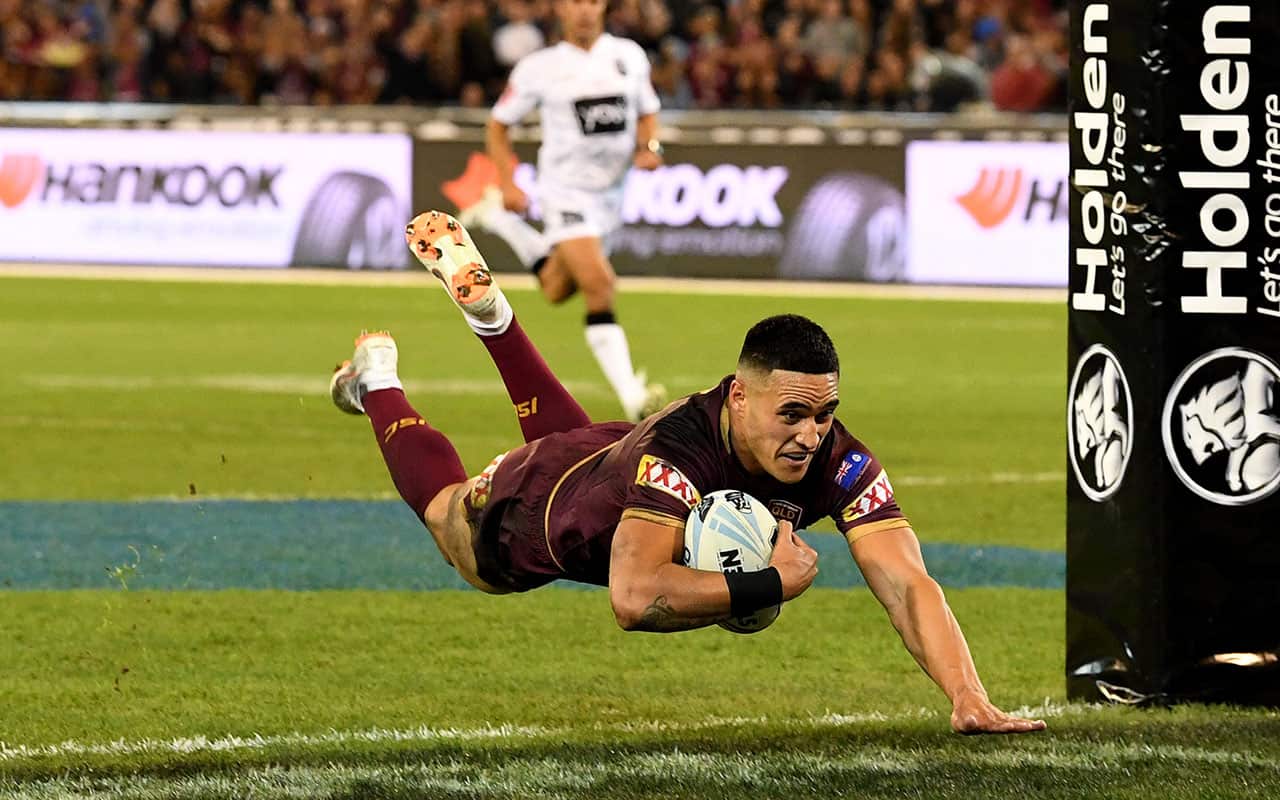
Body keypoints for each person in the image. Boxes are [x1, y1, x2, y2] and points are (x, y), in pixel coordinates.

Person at [330, 209, 1047, 735]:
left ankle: (494, 318)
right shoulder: (680, 450)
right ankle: (378, 383)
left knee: (575, 444)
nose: (810, 436)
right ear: (739, 396)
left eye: (825, 413)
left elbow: (906, 580)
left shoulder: (836, 455)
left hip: (608, 459)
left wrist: (967, 694)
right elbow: (634, 597)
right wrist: (771, 583)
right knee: (454, 525)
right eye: (790, 414)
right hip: (547, 516)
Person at [441, 0, 666, 422]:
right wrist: (508, 180)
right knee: (599, 284)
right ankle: (633, 397)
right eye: (574, 2)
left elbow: (648, 113)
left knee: (557, 288)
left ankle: (497, 220)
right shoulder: (539, 67)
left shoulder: (628, 56)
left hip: (611, 197)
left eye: (591, 1)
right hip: (565, 193)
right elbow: (498, 124)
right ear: (561, 10)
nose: (584, 10)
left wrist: (649, 148)